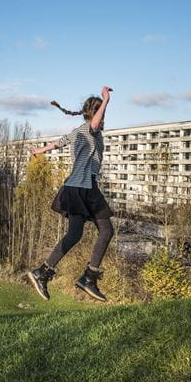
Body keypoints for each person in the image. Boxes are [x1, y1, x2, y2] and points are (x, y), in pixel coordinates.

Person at [26, 86, 114, 302]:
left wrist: (40, 150)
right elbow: (94, 123)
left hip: (78, 188)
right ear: (96, 114)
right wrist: (106, 100)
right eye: (102, 114)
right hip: (82, 188)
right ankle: (88, 277)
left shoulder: (78, 131)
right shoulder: (89, 129)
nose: (103, 120)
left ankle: (42, 273)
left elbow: (58, 143)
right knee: (106, 230)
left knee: (75, 234)